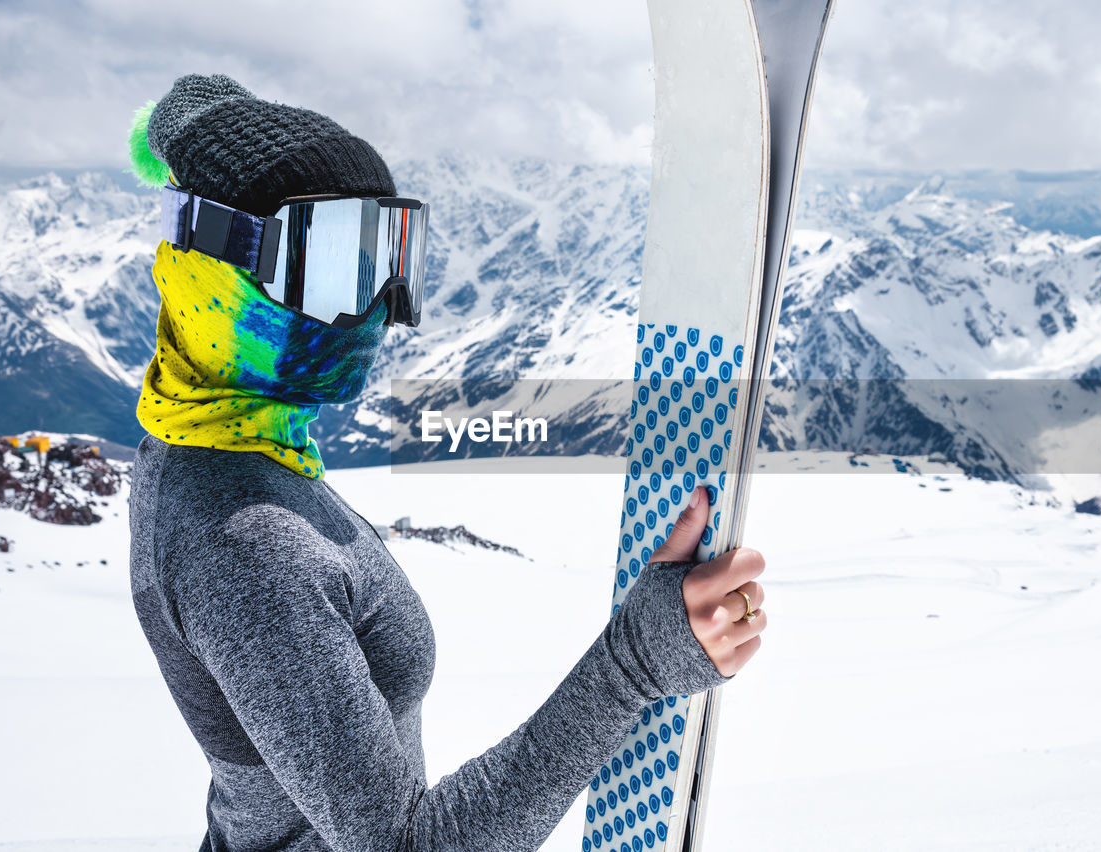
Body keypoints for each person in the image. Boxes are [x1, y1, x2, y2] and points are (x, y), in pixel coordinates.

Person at [126, 74, 768, 852]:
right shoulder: (243, 541)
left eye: (390, 260)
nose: (377, 308)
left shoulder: (214, 435)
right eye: (335, 265)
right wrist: (635, 664)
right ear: (210, 270)